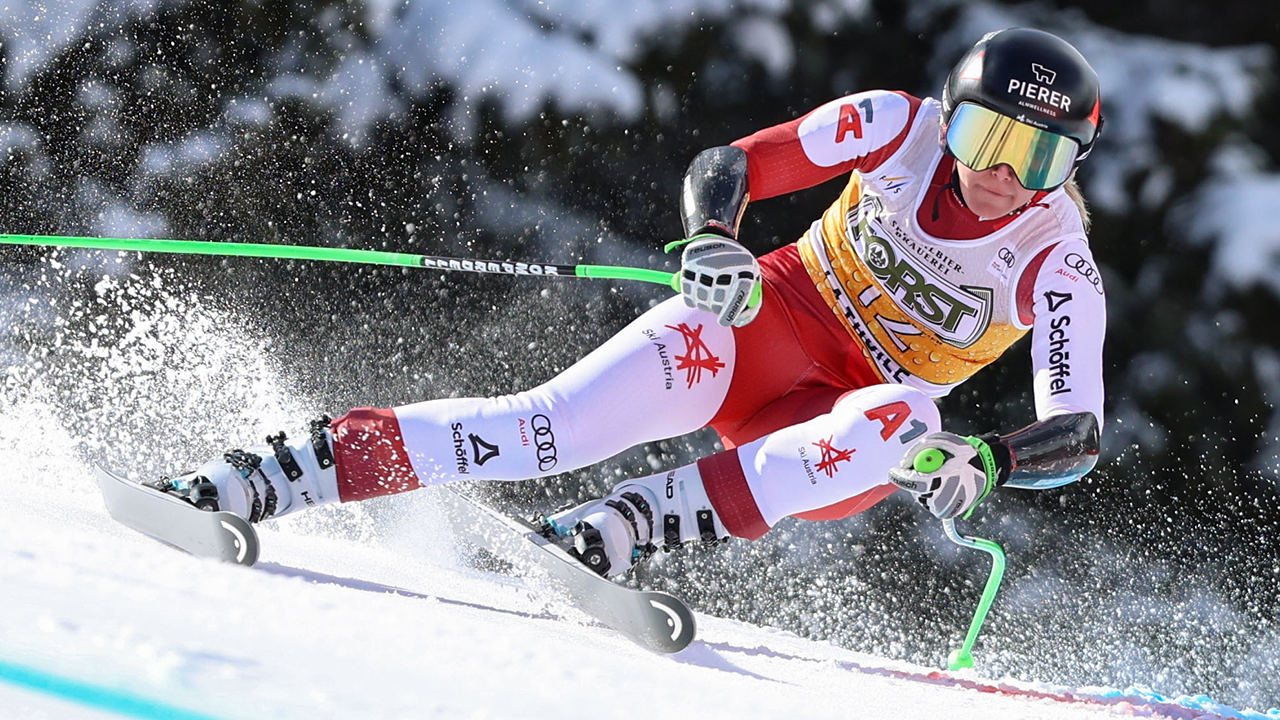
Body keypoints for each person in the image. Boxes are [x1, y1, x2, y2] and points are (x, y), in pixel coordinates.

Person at [154, 27, 1105, 577]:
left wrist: (990, 459)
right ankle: (278, 472)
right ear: (953, 114)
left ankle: (628, 526)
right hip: (754, 327)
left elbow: (1079, 433)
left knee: (910, 421)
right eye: (987, 137)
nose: (1002, 175)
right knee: (541, 431)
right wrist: (714, 241)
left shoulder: (1055, 260)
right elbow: (731, 164)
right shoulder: (899, 124)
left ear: (1069, 168)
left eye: (1040, 157)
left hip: (837, 426)